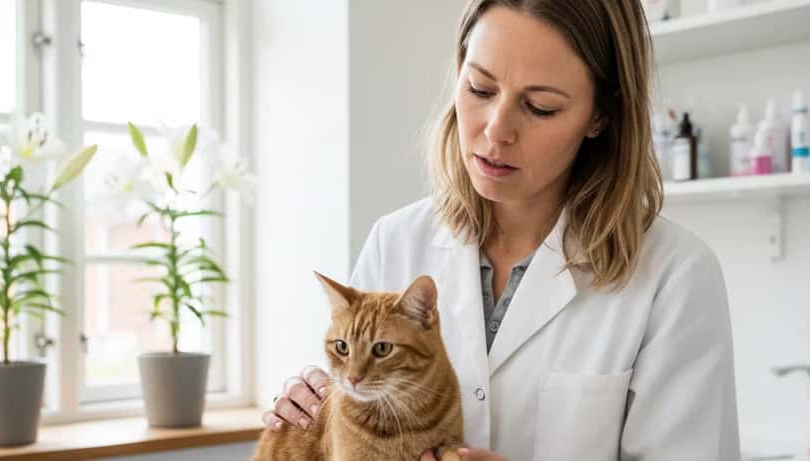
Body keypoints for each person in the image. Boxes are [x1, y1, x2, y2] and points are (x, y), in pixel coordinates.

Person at [263, 0, 741, 459]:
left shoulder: (675, 275)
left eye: (540, 107)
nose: (496, 131)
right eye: (480, 89)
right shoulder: (396, 241)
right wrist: (314, 416)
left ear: (601, 115)